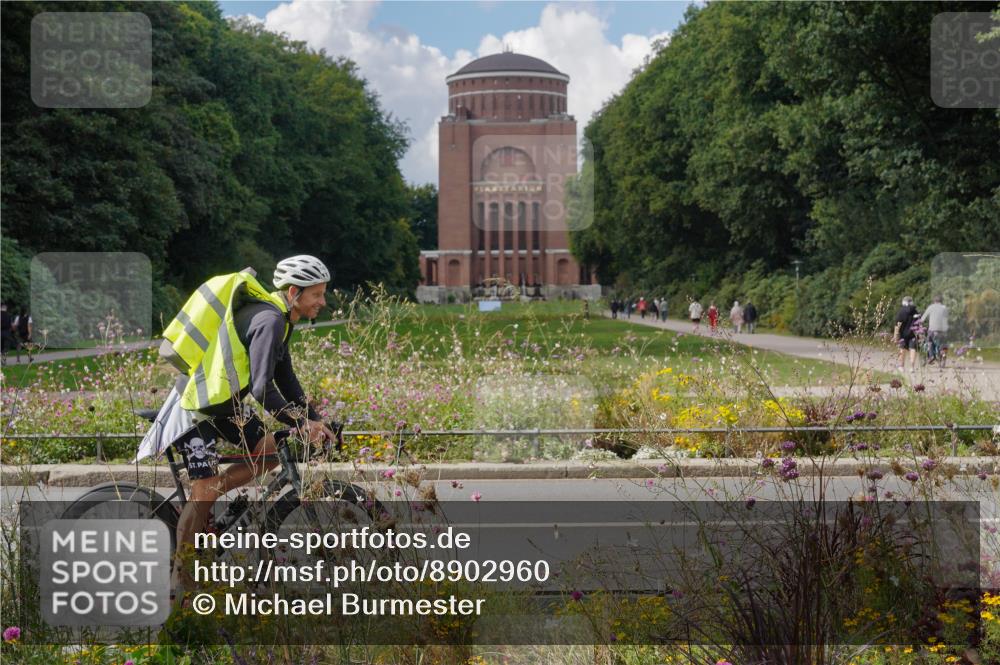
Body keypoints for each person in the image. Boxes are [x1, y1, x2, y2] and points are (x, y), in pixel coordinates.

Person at [165, 255, 336, 595]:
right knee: (204, 491)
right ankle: (180, 580)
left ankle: (216, 501)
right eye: (316, 294)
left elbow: (287, 380)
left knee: (274, 451)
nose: (322, 301)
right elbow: (261, 388)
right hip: (195, 408)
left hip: (224, 405)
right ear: (293, 292)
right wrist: (299, 422)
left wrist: (316, 420)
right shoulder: (269, 320)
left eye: (322, 293)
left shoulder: (282, 321)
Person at [892, 296, 920, 373]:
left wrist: (895, 336)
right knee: (913, 349)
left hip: (903, 334)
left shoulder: (901, 311)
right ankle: (912, 367)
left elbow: (897, 324)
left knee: (902, 349)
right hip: (913, 334)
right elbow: (918, 323)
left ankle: (901, 366)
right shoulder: (915, 311)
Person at [919, 295, 949, 366]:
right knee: (942, 343)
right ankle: (943, 354)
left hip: (932, 329)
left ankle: (932, 356)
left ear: (934, 301)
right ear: (941, 301)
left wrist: (920, 323)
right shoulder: (944, 308)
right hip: (942, 330)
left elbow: (922, 319)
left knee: (929, 342)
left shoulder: (931, 307)